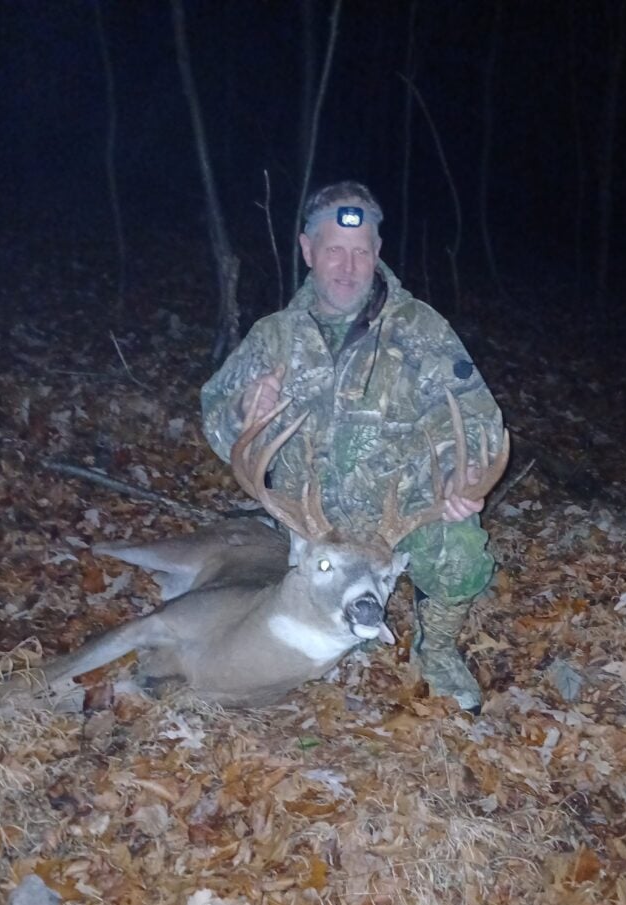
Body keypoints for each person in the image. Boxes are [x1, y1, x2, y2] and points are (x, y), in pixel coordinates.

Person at [201, 181, 506, 712]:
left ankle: (436, 649)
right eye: (334, 250)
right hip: (314, 523)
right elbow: (216, 422)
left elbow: (475, 418)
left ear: (377, 252)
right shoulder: (274, 337)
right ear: (307, 250)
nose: (347, 267)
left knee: (460, 553)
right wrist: (243, 410)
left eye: (361, 252)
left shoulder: (421, 329)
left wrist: (461, 476)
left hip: (399, 516)